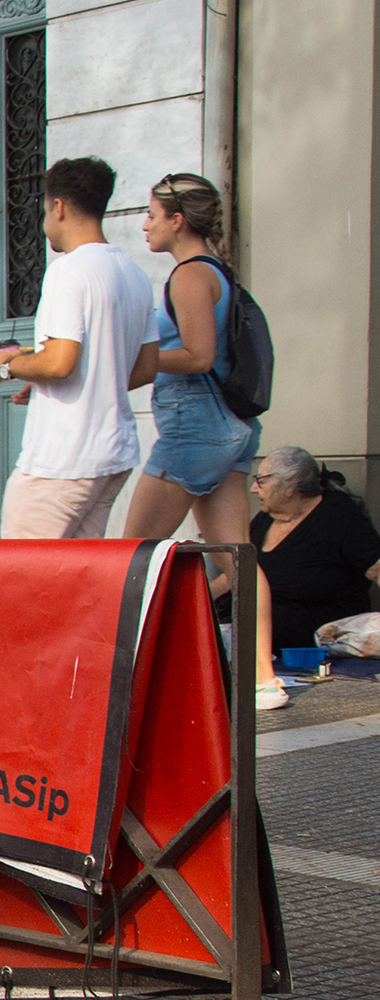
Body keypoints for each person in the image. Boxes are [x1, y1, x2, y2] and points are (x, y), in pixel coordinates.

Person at [0, 158, 160, 538]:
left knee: (22, 581)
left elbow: (60, 362)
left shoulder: (68, 270)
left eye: (44, 210)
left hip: (61, 458)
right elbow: (145, 367)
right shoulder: (134, 273)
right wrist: (48, 380)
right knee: (77, 583)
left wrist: (8, 365)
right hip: (111, 454)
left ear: (58, 206)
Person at [122, 174, 264, 582]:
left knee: (129, 555)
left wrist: (136, 362)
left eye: (152, 215)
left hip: (194, 425)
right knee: (238, 563)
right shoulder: (219, 272)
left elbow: (198, 356)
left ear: (177, 220)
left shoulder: (189, 276)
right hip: (229, 424)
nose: (145, 225)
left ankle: (126, 648)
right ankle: (258, 649)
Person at [222, 449, 380, 710]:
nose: (253, 488)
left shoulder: (339, 515)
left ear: (291, 485)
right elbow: (234, 572)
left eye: (261, 480)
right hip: (262, 624)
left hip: (313, 629)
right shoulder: (264, 518)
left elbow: (375, 567)